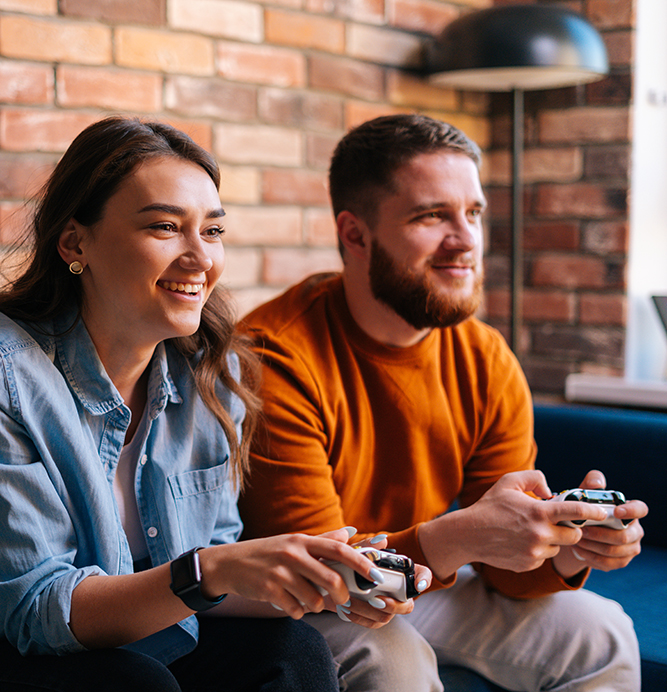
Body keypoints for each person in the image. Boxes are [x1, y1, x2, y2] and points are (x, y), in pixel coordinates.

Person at [0, 116, 432, 692]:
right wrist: (207, 571)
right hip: (27, 645)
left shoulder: (209, 368)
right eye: (164, 227)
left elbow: (213, 569)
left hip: (149, 638)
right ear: (76, 242)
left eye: (212, 231)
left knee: (296, 650)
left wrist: (318, 582)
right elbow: (37, 610)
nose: (200, 259)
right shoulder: (10, 375)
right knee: (136, 681)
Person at [238, 114, 649, 691]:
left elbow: (505, 569)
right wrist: (459, 538)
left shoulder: (485, 357)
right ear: (355, 235)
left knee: (601, 632)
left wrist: (568, 550)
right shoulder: (273, 357)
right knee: (394, 659)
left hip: (425, 583)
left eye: (473, 213)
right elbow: (326, 577)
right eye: (432, 216)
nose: (466, 241)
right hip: (314, 602)